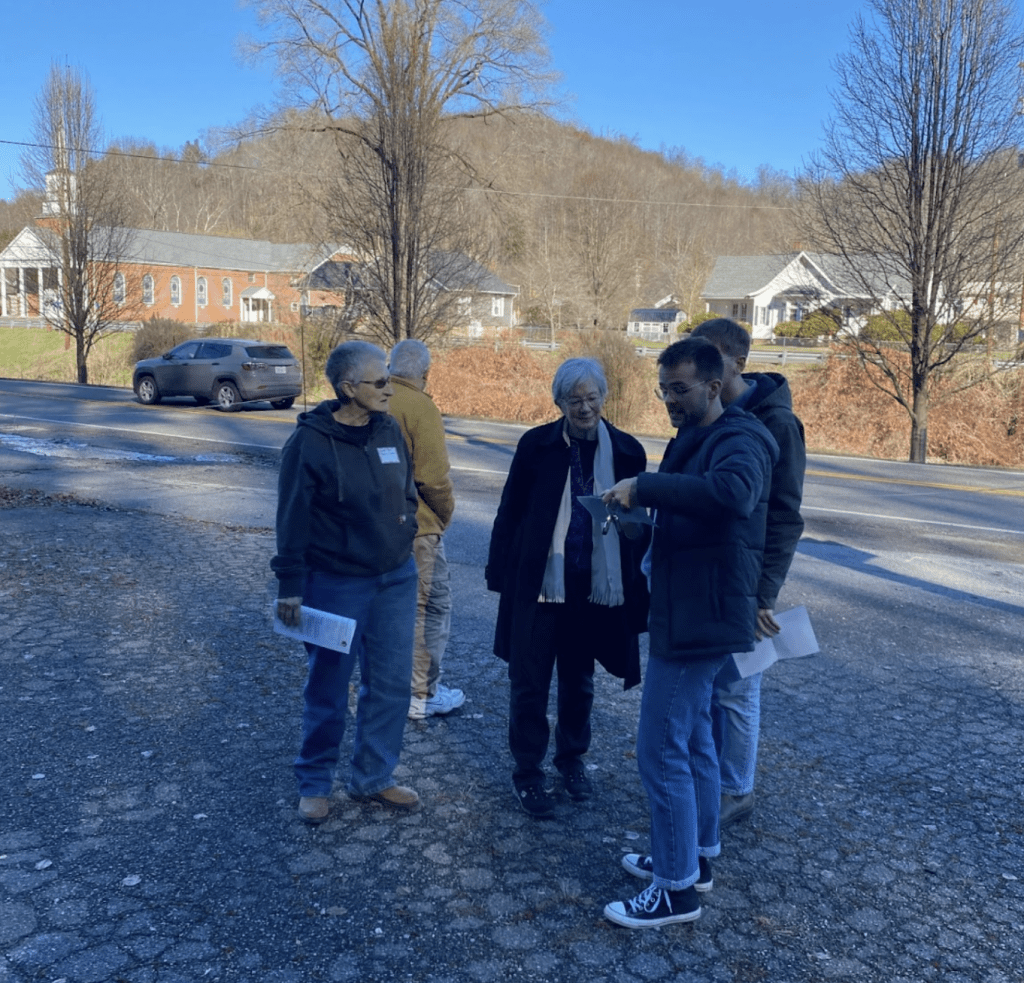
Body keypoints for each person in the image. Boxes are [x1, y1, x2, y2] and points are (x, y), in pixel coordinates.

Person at [601, 337, 778, 928]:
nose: (669, 400)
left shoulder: (741, 437)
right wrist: (640, 527)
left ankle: (673, 890)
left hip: (701, 618)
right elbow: (693, 519)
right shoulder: (693, 439)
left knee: (661, 749)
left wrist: (645, 487)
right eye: (663, 390)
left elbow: (732, 495)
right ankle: (696, 858)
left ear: (713, 384)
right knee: (697, 740)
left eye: (679, 389)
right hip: (686, 608)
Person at [485, 357, 649, 819]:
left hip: (592, 590)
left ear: (604, 397)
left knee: (580, 682)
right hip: (540, 586)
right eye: (573, 400)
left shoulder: (628, 452)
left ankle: (572, 759)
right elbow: (510, 511)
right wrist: (500, 575)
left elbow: (643, 525)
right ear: (557, 402)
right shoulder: (535, 445)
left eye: (592, 398)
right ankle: (528, 772)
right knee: (529, 682)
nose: (584, 407)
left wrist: (639, 542)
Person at [272, 340, 421, 824]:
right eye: (379, 382)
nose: (388, 390)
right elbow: (291, 517)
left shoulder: (388, 429)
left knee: (393, 684)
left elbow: (407, 490)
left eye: (390, 380)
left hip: (395, 579)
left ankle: (374, 778)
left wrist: (406, 529)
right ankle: (315, 781)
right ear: (347, 388)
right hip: (335, 582)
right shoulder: (310, 442)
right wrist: (290, 586)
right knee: (329, 686)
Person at [691, 318, 806, 828]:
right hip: (709, 572)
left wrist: (765, 593)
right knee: (712, 682)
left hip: (747, 580)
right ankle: (711, 774)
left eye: (710, 355)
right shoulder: (706, 408)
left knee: (738, 684)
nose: (699, 363)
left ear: (739, 360)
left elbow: (785, 516)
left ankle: (736, 788)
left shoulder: (776, 423)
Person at [387, 339, 465, 720]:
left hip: (379, 527)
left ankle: (393, 685)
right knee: (430, 608)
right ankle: (421, 693)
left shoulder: (377, 398)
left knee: (395, 609)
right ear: (425, 373)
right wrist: (443, 517)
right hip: (419, 528)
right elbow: (434, 478)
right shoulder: (421, 407)